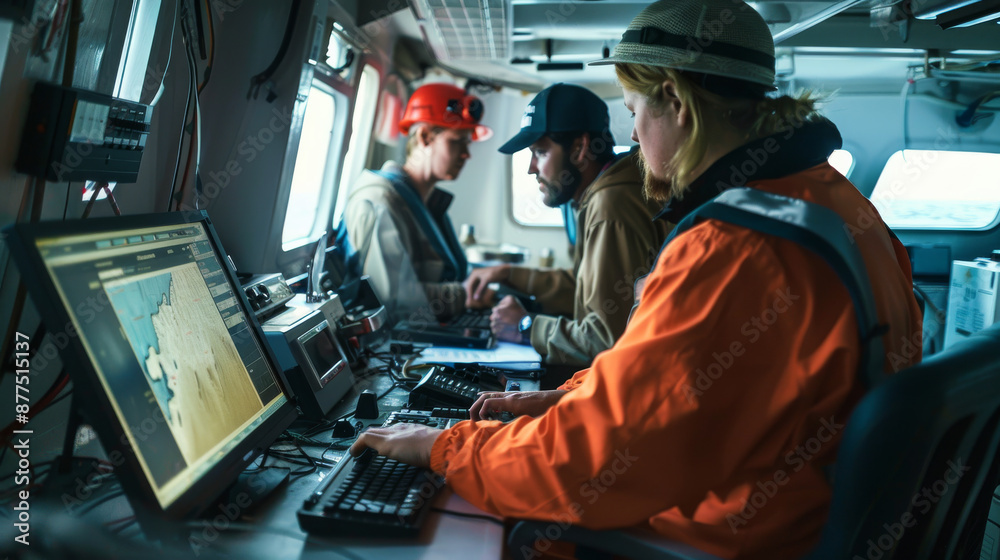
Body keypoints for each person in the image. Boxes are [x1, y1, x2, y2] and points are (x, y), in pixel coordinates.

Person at [350, 1, 923, 558]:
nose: (632, 135)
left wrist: (443, 446)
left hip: (739, 535)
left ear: (674, 100)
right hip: (804, 511)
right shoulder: (840, 204)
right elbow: (671, 390)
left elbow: (584, 469)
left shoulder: (730, 247)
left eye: (632, 110)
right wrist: (565, 397)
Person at [463, 83, 670, 367]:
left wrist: (527, 326)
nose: (531, 168)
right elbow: (587, 288)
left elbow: (605, 341)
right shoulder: (604, 192)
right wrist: (509, 274)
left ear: (579, 148)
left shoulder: (611, 205)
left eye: (541, 152)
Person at [340, 83, 491, 320]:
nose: (466, 154)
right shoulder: (379, 201)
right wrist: (465, 295)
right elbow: (390, 297)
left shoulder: (425, 204)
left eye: (467, 143)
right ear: (424, 137)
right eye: (457, 141)